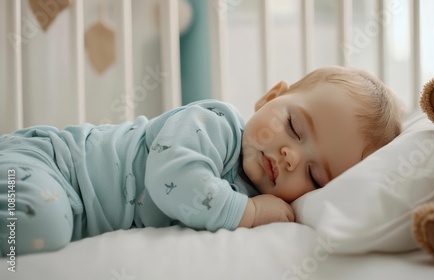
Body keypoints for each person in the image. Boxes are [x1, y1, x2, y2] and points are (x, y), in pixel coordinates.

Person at [0, 66, 401, 256]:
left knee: (42, 228)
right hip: (49, 164)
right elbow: (171, 176)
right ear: (270, 97)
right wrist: (250, 212)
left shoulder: (250, 189)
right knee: (39, 224)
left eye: (315, 174)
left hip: (70, 204)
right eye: (294, 126)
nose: (291, 156)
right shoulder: (216, 124)